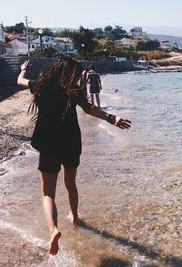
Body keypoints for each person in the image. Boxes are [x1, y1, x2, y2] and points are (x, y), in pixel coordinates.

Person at [17, 58, 131, 256]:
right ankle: (75, 217)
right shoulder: (74, 90)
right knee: (70, 183)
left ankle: (53, 230)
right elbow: (90, 109)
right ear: (72, 74)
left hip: (47, 141)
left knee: (48, 194)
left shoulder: (41, 86)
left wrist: (23, 70)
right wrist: (113, 118)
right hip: (70, 140)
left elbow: (20, 81)